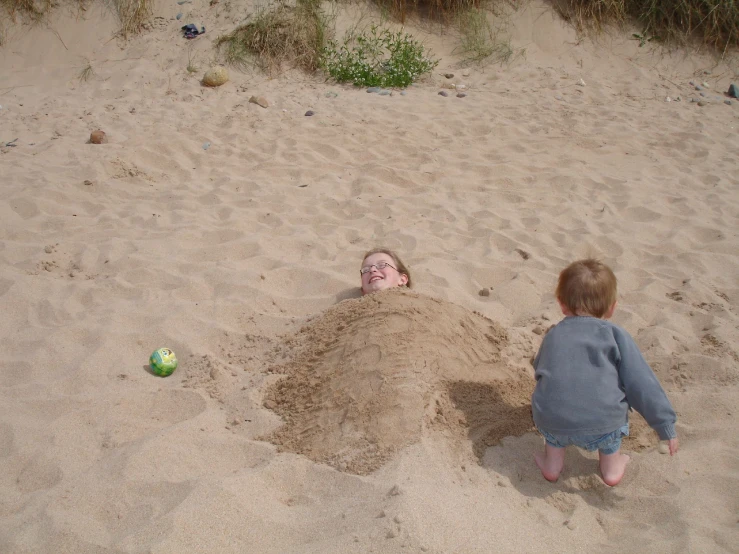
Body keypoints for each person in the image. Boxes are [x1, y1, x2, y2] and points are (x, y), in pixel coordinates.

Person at [531, 259, 678, 486]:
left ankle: (552, 465)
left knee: (553, 419)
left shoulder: (553, 335)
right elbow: (641, 383)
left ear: (561, 304)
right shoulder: (615, 335)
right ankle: (611, 468)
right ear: (612, 307)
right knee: (611, 422)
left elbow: (538, 368)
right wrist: (664, 426)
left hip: (553, 422)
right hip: (605, 424)